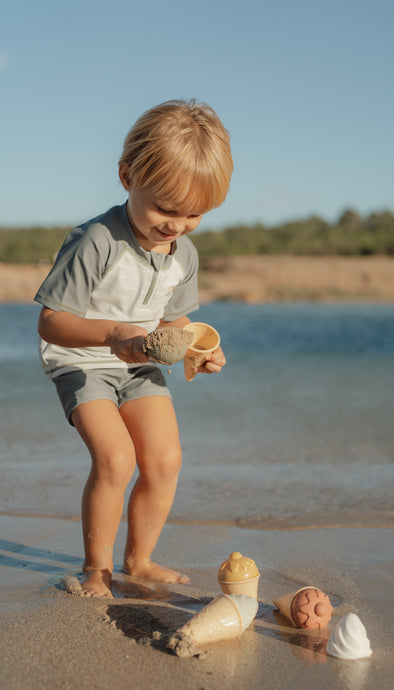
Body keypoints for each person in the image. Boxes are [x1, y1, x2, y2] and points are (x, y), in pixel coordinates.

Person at [35, 99, 233, 597]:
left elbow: (174, 320)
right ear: (127, 176)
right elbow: (51, 322)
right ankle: (95, 570)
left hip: (139, 364)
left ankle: (139, 560)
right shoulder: (96, 241)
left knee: (164, 459)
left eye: (194, 215)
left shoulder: (182, 253)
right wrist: (111, 334)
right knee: (116, 459)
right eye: (165, 209)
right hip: (83, 363)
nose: (176, 225)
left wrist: (198, 350)